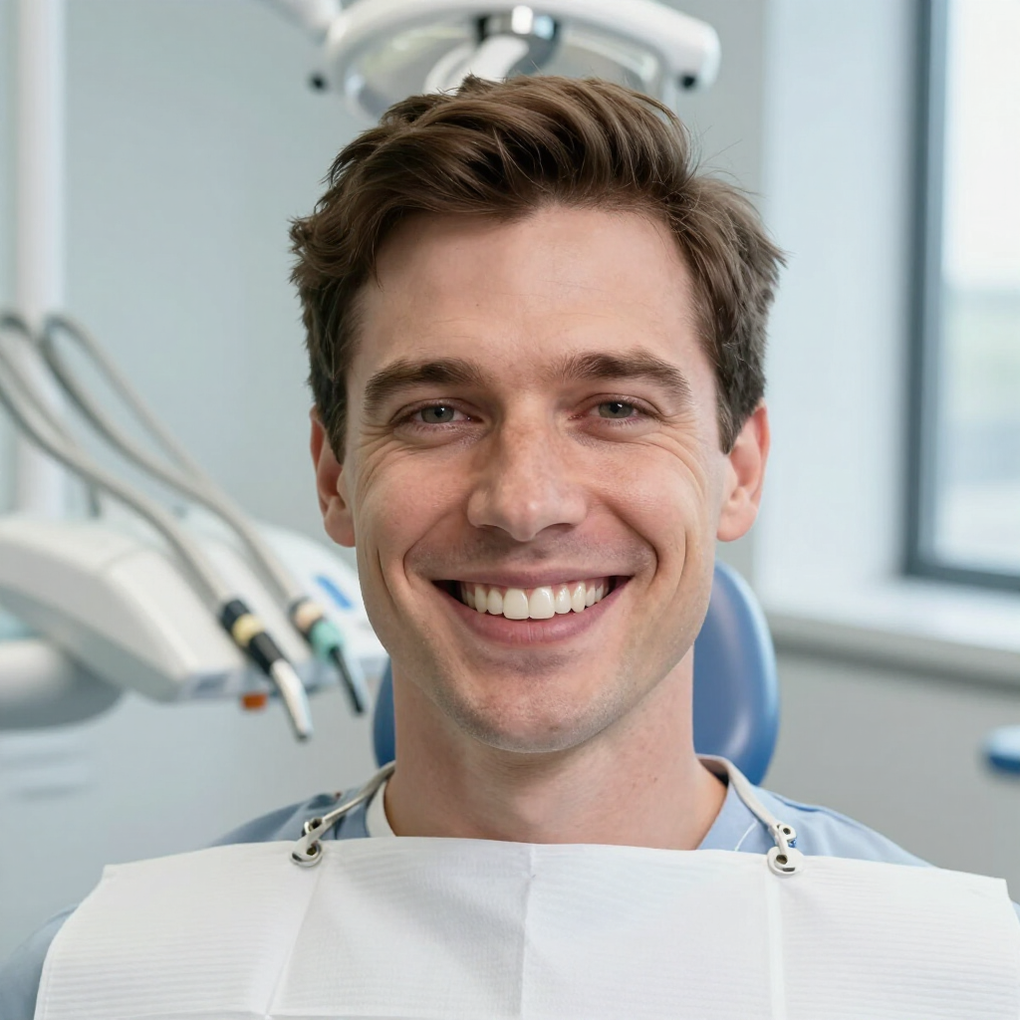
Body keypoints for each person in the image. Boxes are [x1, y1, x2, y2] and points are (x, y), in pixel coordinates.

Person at [3, 75, 1017, 1020]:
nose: (524, 504)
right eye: (438, 411)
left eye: (615, 407)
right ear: (335, 476)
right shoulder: (107, 982)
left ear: (739, 469)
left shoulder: (954, 983)